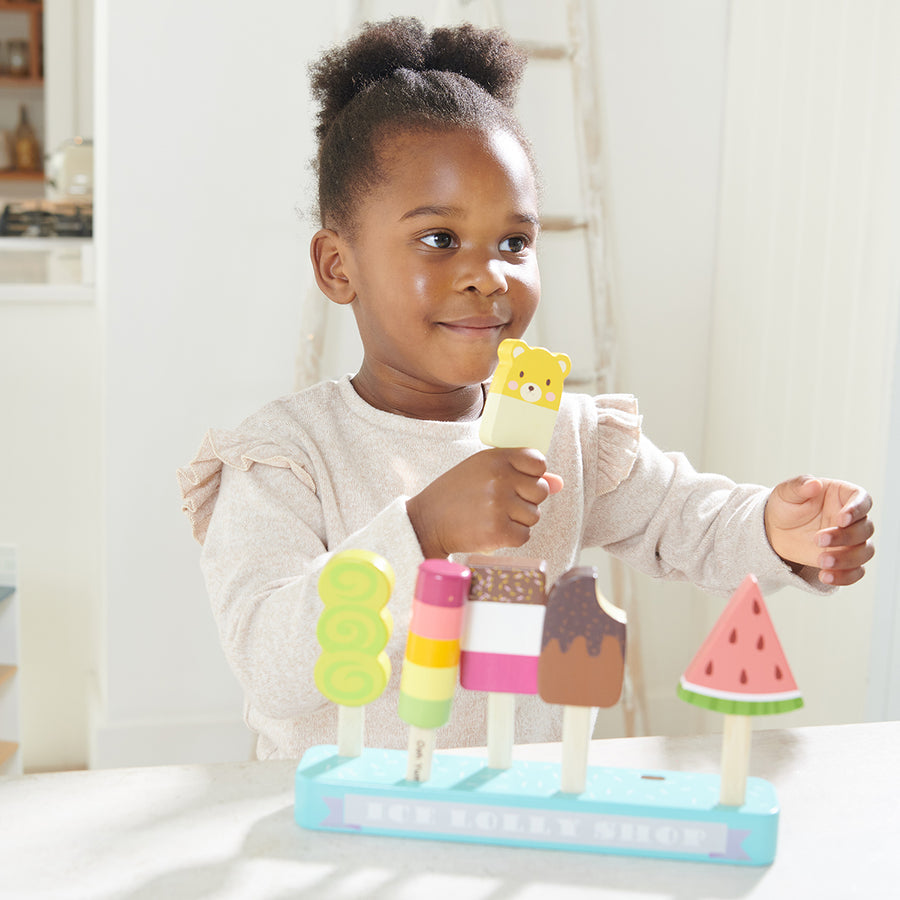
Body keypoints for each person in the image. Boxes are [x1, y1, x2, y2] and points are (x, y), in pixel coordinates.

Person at [177, 18, 874, 761]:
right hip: (335, 824)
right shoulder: (286, 457)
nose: (489, 275)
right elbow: (269, 662)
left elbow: (684, 517)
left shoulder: (564, 433)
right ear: (337, 267)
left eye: (514, 242)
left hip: (512, 811)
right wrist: (423, 533)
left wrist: (778, 529)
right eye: (440, 240)